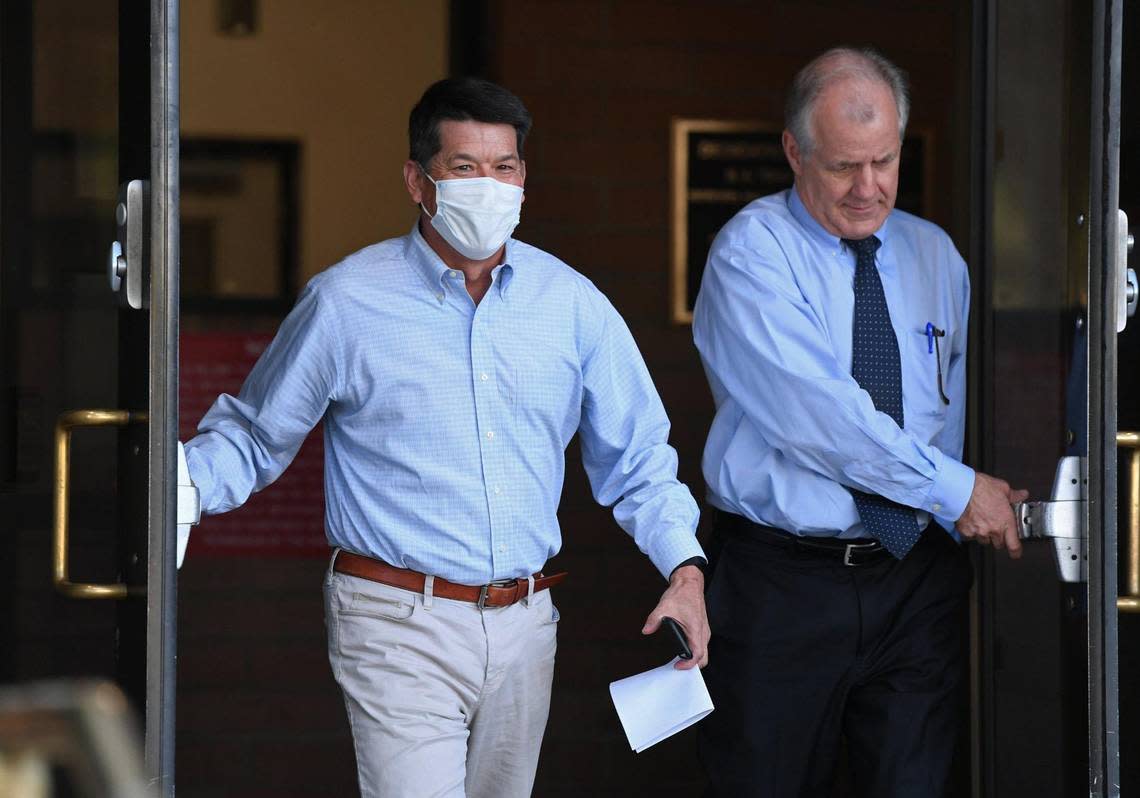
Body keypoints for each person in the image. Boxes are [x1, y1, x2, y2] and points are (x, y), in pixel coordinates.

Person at [183, 77, 709, 798]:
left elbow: (640, 459)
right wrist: (176, 488)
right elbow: (252, 436)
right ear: (418, 180)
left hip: (526, 624)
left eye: (505, 167)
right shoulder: (346, 302)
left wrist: (685, 570)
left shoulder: (574, 306)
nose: (488, 185)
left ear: (524, 178)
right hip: (396, 618)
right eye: (464, 167)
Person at [691, 47, 1028, 797]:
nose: (868, 187)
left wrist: (956, 500)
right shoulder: (753, 254)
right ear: (793, 151)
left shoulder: (935, 255)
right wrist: (956, 491)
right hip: (782, 583)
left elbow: (946, 418)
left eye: (884, 160)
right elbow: (826, 418)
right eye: (844, 166)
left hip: (913, 579)